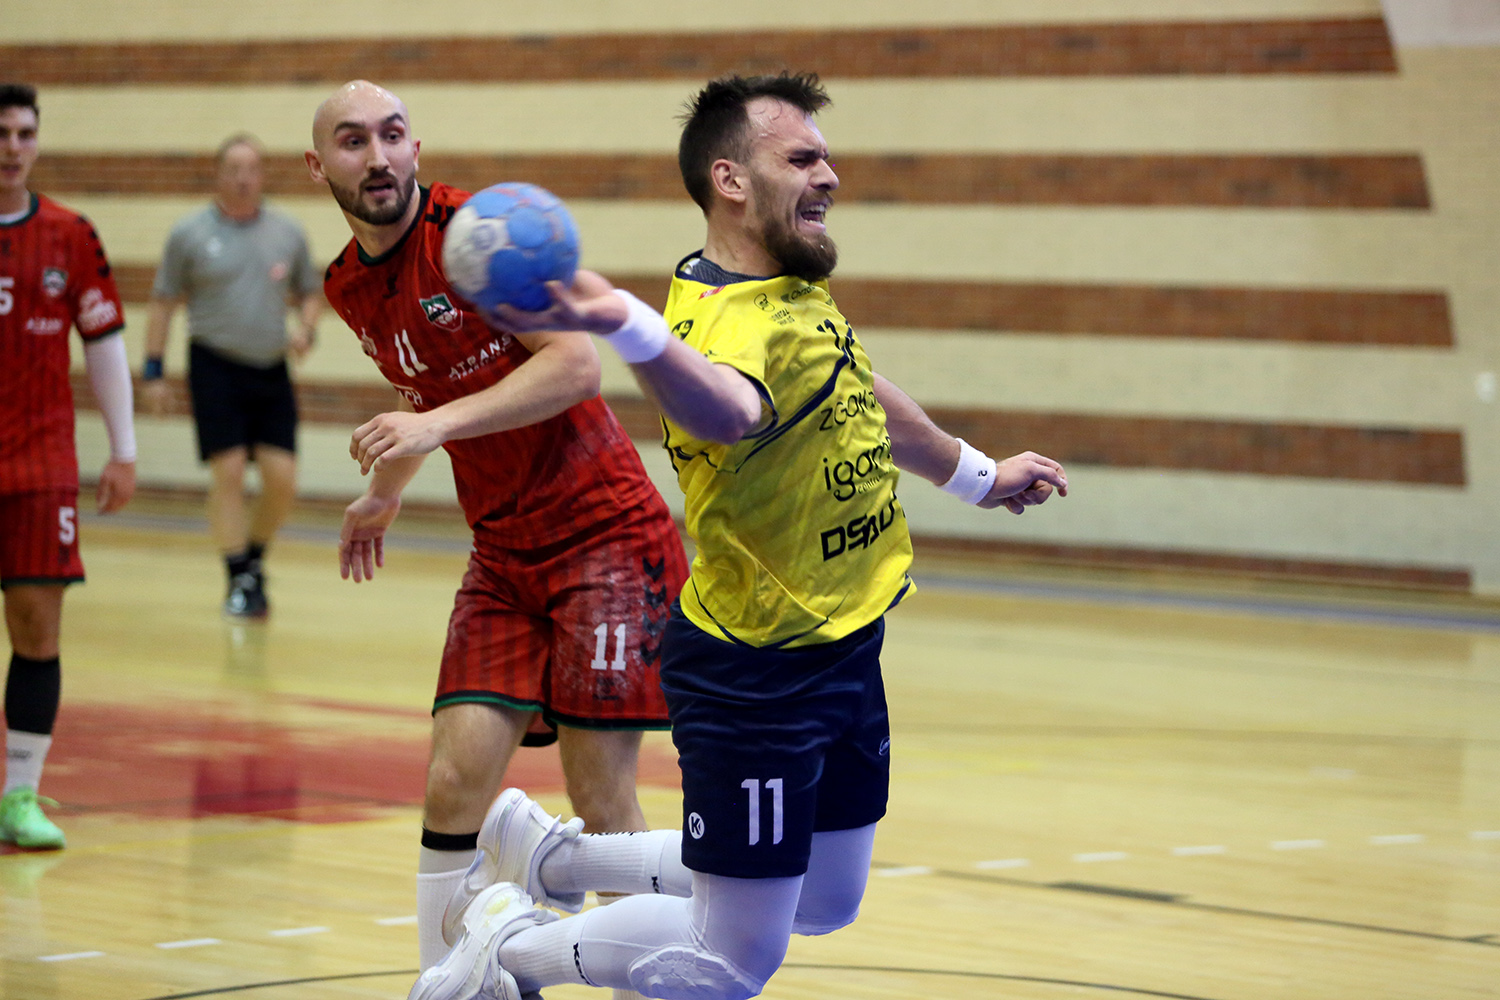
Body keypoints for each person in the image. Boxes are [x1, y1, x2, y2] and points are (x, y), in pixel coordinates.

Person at [409, 72, 1069, 1000]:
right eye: (801, 158)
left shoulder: (782, 289)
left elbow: (852, 386)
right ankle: (506, 953)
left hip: (845, 642)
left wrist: (976, 475)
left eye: (825, 156)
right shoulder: (718, 327)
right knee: (730, 958)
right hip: (759, 674)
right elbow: (726, 410)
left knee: (825, 898)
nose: (829, 175)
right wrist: (625, 324)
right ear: (730, 179)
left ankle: (553, 856)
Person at [304, 80, 690, 979]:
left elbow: (576, 365)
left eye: (393, 135)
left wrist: (431, 428)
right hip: (504, 555)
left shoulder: (480, 238)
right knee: (453, 782)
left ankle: (648, 978)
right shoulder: (345, 285)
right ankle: (446, 984)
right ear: (318, 167)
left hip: (605, 537)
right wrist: (386, 493)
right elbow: (425, 391)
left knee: (601, 798)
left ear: (416, 146)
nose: (378, 156)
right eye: (354, 141)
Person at [0, 83, 137, 850]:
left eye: (24, 133)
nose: (12, 147)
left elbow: (104, 343)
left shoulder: (69, 235)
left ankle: (19, 797)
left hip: (40, 465)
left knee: (37, 628)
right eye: (1, 133)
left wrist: (124, 449)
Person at [142, 133, 323, 619]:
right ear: (218, 174)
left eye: (252, 169)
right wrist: (153, 370)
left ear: (262, 175)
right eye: (234, 169)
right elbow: (163, 303)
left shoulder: (287, 231)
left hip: (271, 368)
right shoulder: (190, 233)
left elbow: (310, 292)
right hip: (214, 364)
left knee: (282, 479)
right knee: (230, 470)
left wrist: (306, 330)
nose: (244, 178)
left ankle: (253, 560)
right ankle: (237, 574)